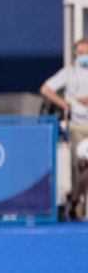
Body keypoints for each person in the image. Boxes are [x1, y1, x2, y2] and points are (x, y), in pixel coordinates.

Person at [40, 38, 88, 215]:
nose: (84, 56)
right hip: (76, 124)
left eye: (86, 53)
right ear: (75, 53)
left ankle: (76, 199)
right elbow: (46, 89)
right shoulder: (69, 72)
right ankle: (75, 201)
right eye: (81, 53)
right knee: (77, 165)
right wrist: (65, 103)